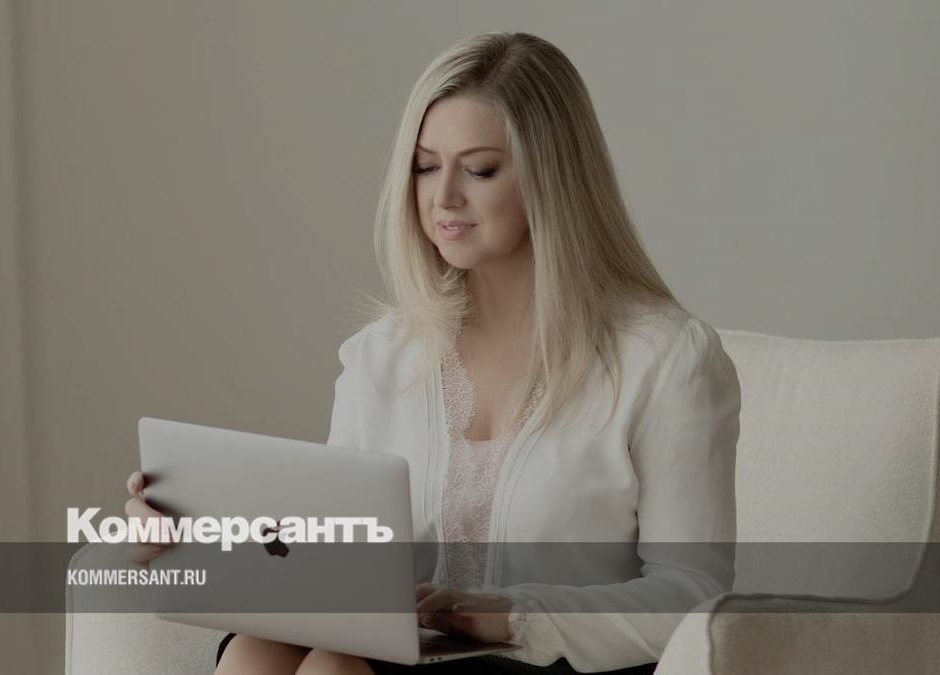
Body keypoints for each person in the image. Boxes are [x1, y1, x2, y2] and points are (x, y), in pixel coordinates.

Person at [124, 30, 739, 674]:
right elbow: (336, 555)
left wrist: (517, 615)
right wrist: (196, 539)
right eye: (424, 166)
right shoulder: (382, 355)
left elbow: (693, 595)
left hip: (560, 663)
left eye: (479, 169)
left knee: (333, 666)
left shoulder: (666, 359)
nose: (442, 196)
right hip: (408, 653)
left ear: (551, 178)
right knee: (261, 649)